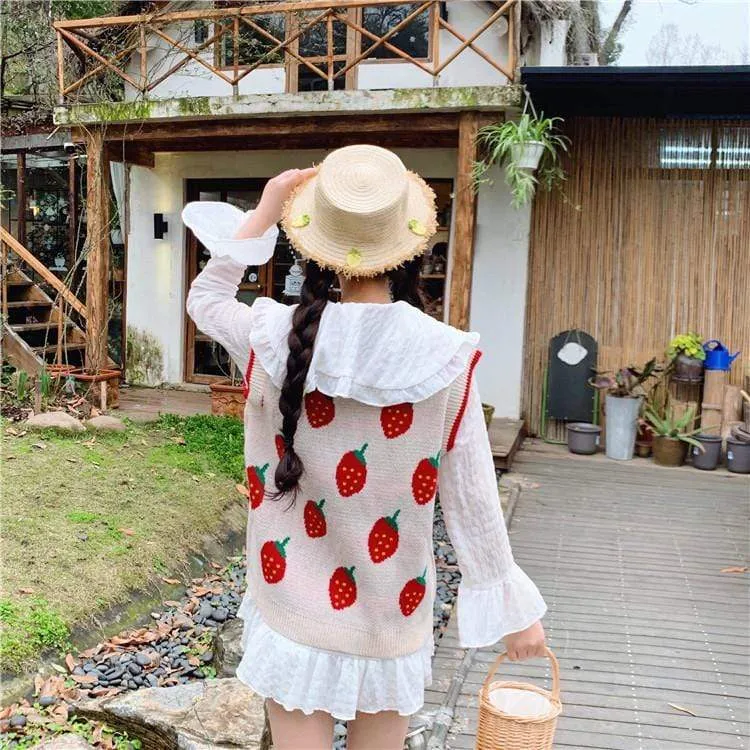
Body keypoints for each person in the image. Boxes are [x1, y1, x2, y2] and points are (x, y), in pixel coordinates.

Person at [184, 145, 547, 750]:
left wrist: (265, 210)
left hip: (290, 600)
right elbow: (472, 494)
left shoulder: (272, 334)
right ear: (410, 249)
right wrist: (513, 610)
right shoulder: (447, 356)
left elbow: (207, 301)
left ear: (313, 247)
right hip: (393, 611)